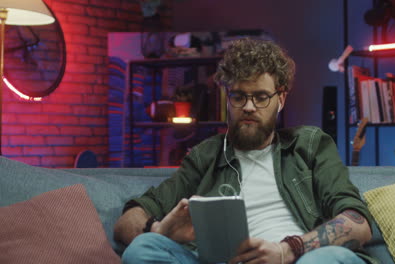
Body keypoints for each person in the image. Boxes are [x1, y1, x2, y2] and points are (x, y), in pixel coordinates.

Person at [114, 38, 376, 264]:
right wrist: (159, 230)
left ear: (280, 99)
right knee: (143, 248)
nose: (249, 107)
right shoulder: (205, 156)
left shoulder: (310, 145)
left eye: (261, 97)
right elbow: (128, 221)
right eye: (239, 96)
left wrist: (287, 251)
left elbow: (357, 222)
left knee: (326, 259)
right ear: (228, 99)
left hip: (297, 259)